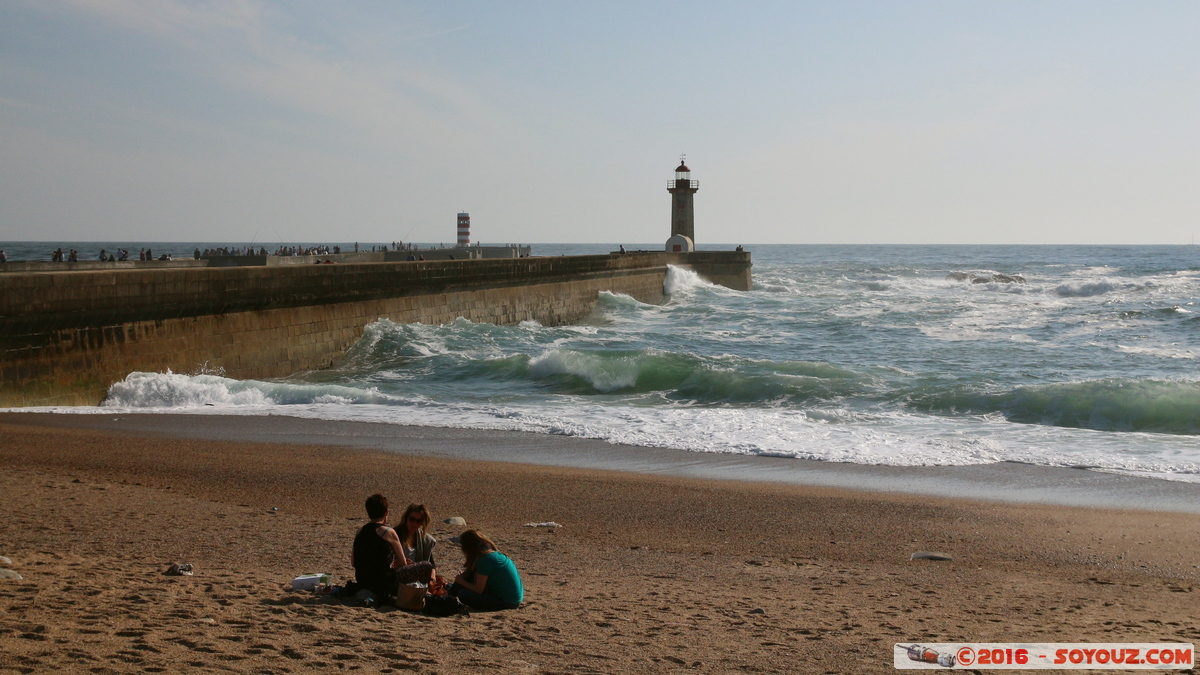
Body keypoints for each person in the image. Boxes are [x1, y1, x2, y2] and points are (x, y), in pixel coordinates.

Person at [352, 494, 434, 599]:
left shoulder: (360, 531)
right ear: (386, 512)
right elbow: (403, 563)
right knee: (426, 565)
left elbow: (353, 563)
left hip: (362, 580)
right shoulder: (388, 532)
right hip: (384, 582)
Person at [447, 530, 523, 611]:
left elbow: (478, 590)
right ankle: (448, 594)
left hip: (506, 602)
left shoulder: (485, 560)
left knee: (463, 594)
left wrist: (461, 581)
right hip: (512, 599)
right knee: (465, 580)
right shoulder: (492, 554)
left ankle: (447, 595)